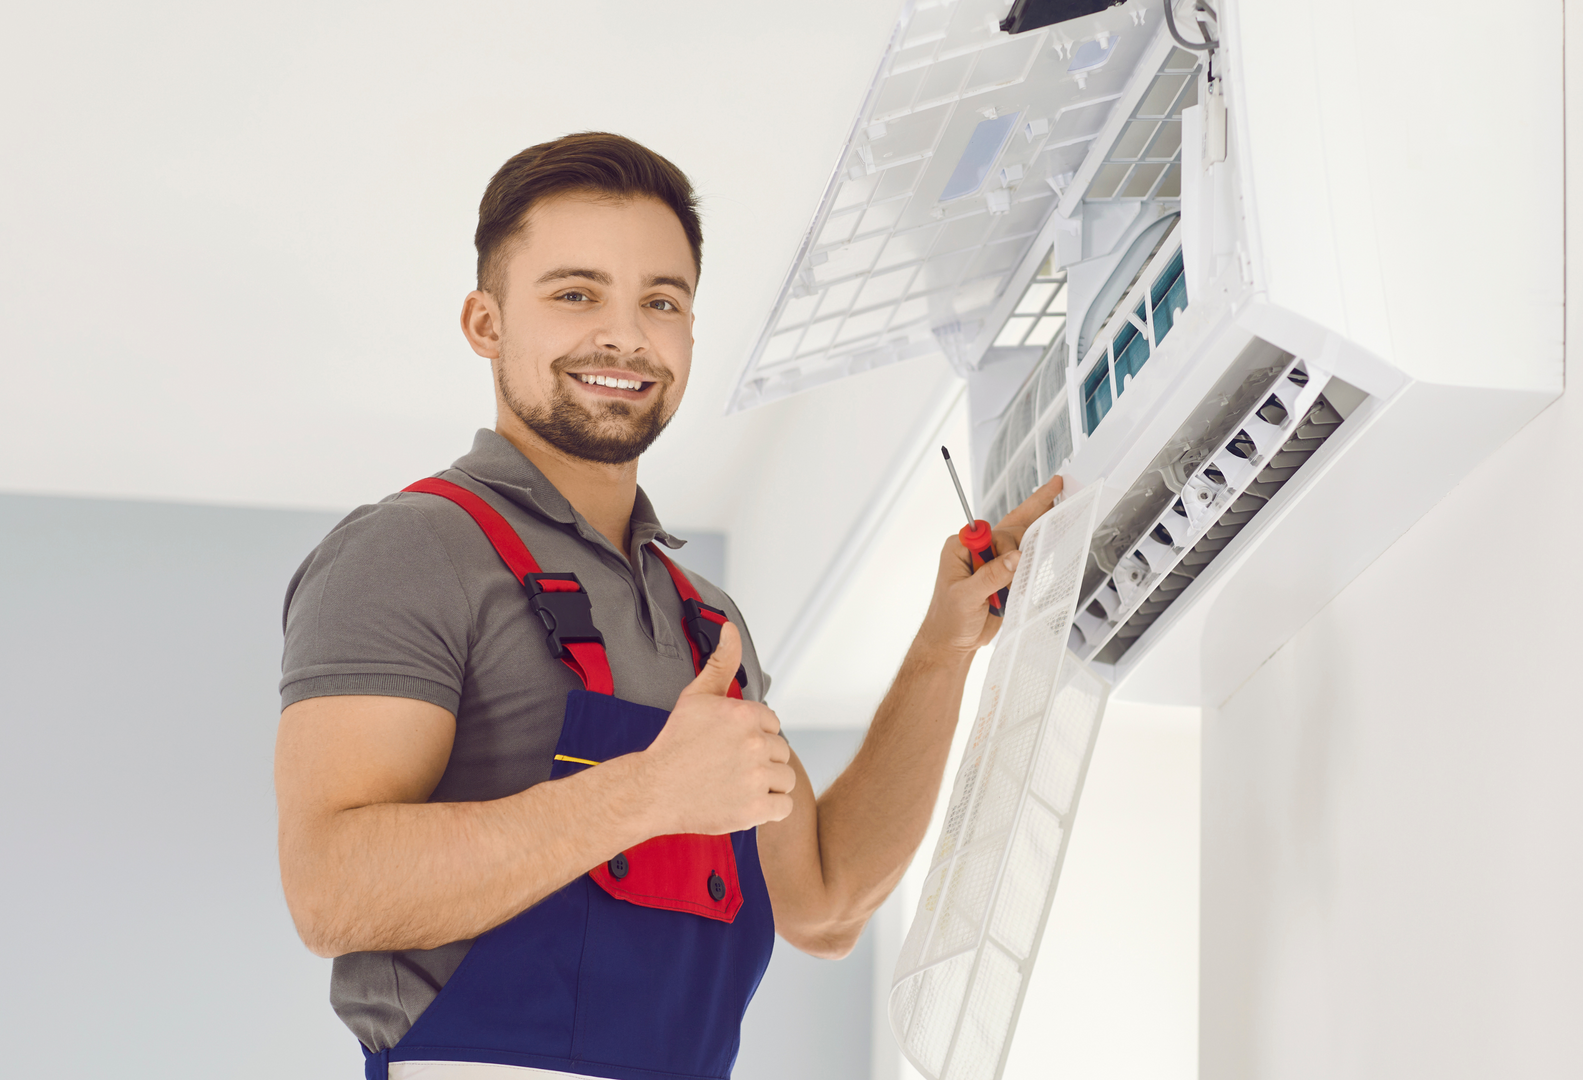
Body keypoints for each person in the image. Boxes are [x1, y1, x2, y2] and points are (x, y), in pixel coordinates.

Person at [274, 131, 1061, 1080]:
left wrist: (944, 649)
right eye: (575, 295)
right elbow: (331, 892)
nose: (625, 334)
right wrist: (648, 792)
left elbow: (826, 903)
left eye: (662, 301)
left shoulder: (706, 622)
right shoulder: (411, 550)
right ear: (485, 323)